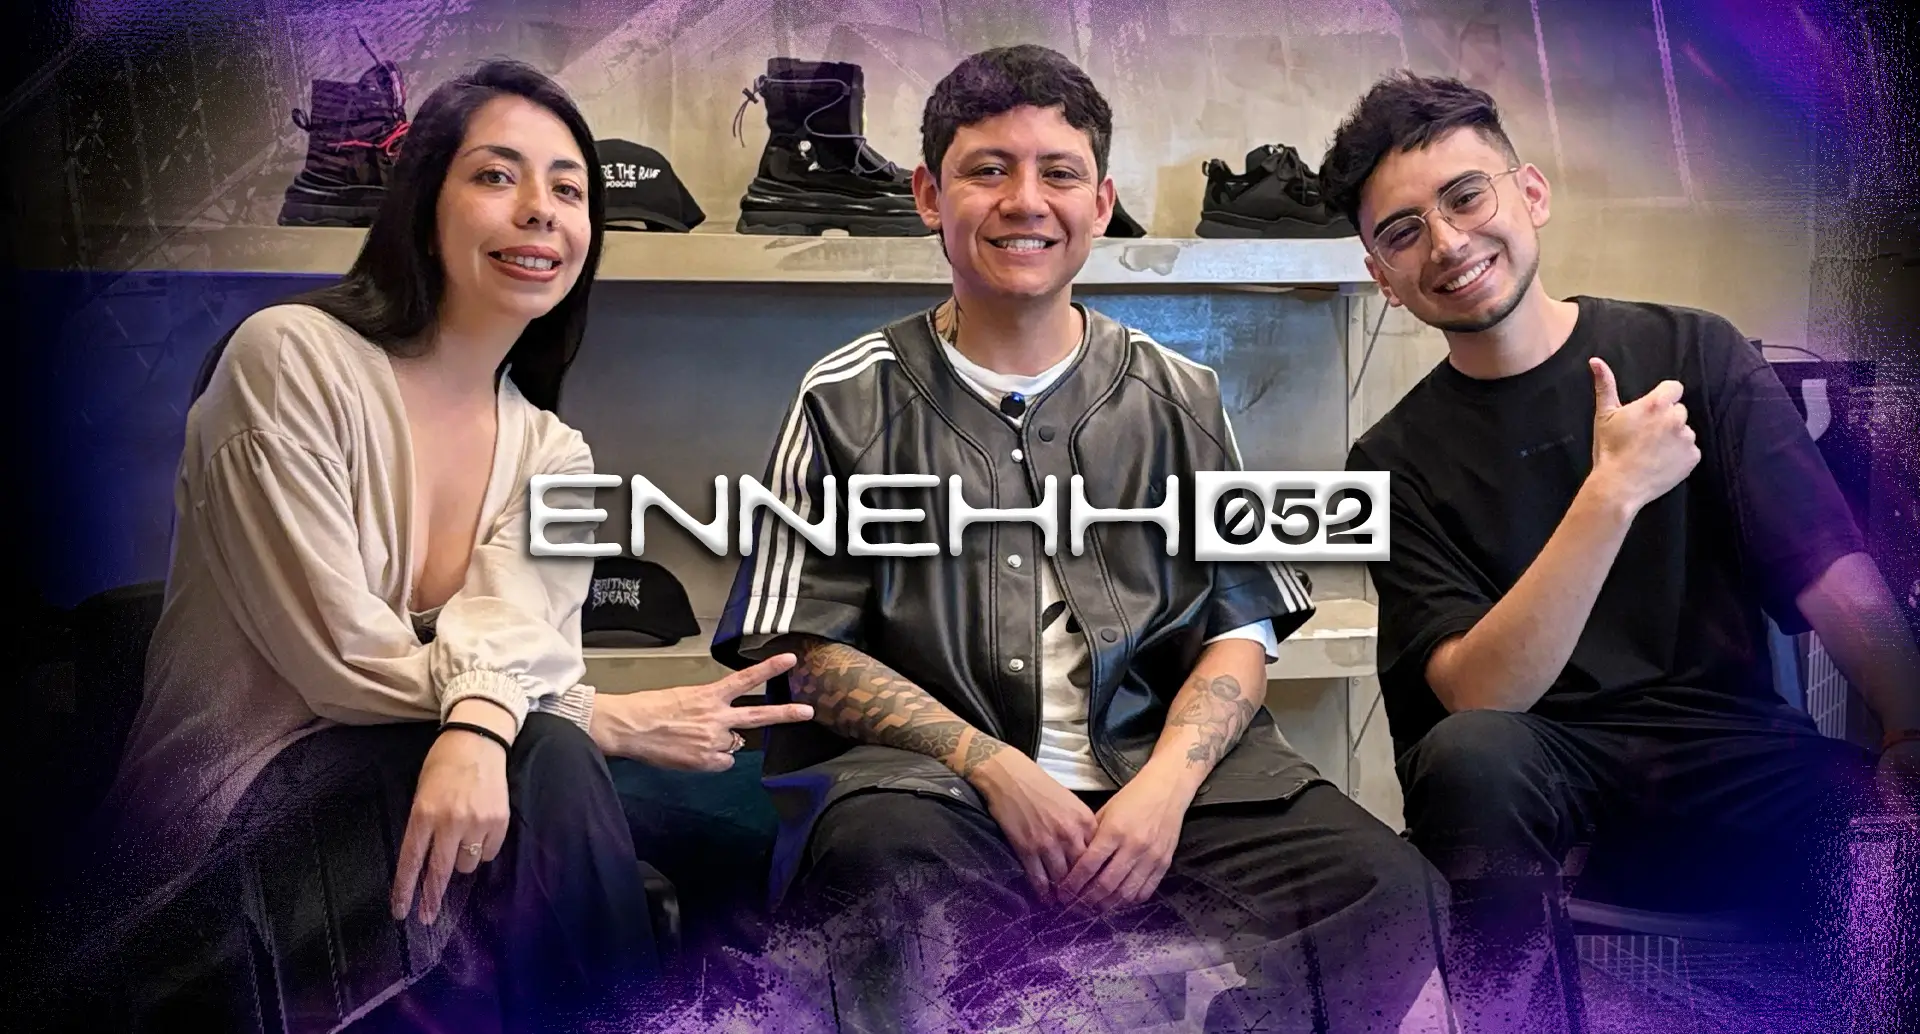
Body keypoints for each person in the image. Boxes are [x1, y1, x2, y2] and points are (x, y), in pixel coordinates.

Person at [713, 45, 1447, 1033]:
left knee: (1385, 889)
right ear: (929, 196)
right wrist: (990, 763)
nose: (1026, 201)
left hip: (1160, 772)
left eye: (1058, 172)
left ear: (1100, 205)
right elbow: (802, 647)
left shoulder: (1179, 393)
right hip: (933, 793)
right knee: (883, 871)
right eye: (988, 169)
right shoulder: (845, 395)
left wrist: (1164, 792)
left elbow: (1242, 625)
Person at [86, 60, 808, 1031]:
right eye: (497, 175)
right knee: (552, 753)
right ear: (424, 206)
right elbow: (336, 658)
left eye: (568, 190)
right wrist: (568, 716)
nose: (540, 209)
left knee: (746, 853)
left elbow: (517, 632)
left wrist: (499, 718)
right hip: (233, 820)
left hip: (426, 790)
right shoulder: (288, 359)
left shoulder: (556, 452)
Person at [1322, 72, 1920, 1031]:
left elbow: (1823, 561)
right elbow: (1480, 694)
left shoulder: (1695, 354)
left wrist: (1906, 720)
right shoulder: (1390, 461)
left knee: (1881, 850)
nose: (1447, 242)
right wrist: (1611, 494)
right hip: (1536, 775)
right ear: (1381, 276)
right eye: (1403, 232)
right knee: (1471, 752)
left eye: (1466, 196)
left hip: (1727, 751)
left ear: (1531, 193)